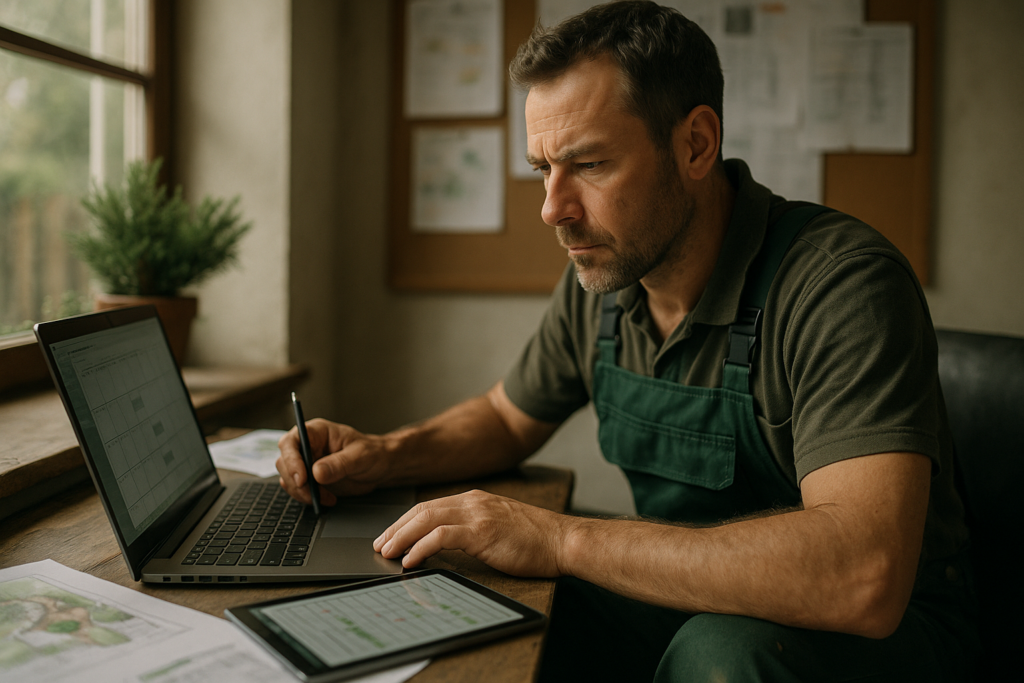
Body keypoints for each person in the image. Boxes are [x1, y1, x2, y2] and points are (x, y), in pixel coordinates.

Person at [277, 2, 978, 680]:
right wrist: (384, 457)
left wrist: (559, 536)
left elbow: (862, 574)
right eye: (543, 169)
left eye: (589, 165)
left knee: (721, 653)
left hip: (876, 640)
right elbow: (506, 417)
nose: (553, 209)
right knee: (472, 584)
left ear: (695, 144)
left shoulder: (840, 286)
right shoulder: (608, 275)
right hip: (685, 601)